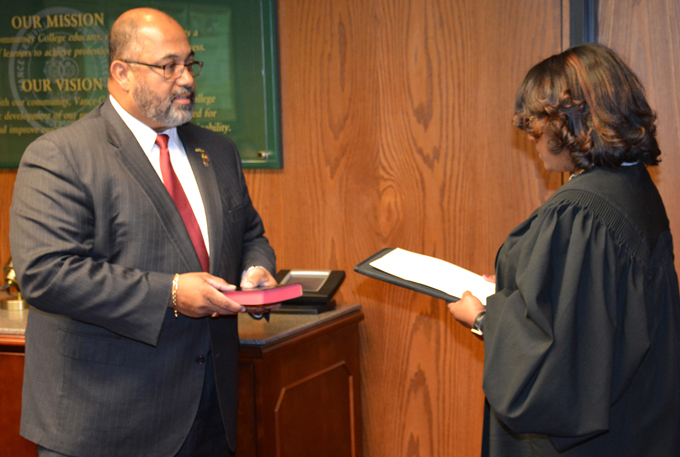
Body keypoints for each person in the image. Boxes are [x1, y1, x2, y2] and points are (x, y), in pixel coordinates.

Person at [9, 8, 279, 457]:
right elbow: (46, 274)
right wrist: (170, 293)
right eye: (167, 66)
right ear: (122, 73)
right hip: (107, 420)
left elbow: (249, 232)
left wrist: (256, 270)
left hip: (211, 412)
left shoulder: (217, 149)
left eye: (189, 63)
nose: (187, 79)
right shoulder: (60, 155)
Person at [448, 43, 680, 456]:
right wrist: (521, 281)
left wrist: (484, 316)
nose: (531, 133)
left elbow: (558, 372)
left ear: (574, 122)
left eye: (538, 121)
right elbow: (595, 308)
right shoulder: (632, 189)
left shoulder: (581, 213)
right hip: (635, 425)